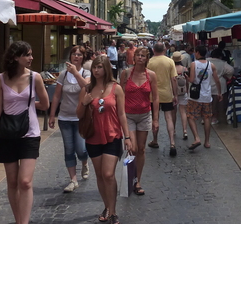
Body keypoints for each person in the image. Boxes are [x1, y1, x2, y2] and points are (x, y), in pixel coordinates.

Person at [0, 41, 49, 224]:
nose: (31, 58)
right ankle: (19, 221)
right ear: (15, 57)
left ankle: (24, 224)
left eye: (31, 54)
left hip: (30, 133)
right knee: (12, 182)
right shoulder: (0, 79)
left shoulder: (35, 78)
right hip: (7, 134)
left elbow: (45, 104)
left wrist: (26, 105)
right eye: (27, 54)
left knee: (25, 181)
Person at [76, 55, 132, 224]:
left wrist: (128, 136)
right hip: (93, 137)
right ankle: (107, 206)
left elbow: (122, 114)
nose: (96, 70)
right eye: (94, 67)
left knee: (108, 174)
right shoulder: (86, 89)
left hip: (112, 136)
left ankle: (113, 210)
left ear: (106, 68)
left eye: (99, 67)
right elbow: (78, 115)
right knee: (100, 175)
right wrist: (84, 103)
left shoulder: (116, 88)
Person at [48, 45, 91, 192]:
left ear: (83, 58)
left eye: (79, 54)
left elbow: (86, 86)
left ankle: (84, 163)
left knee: (81, 149)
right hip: (65, 117)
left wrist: (76, 73)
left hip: (80, 118)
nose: (76, 56)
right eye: (74, 54)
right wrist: (52, 114)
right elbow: (57, 95)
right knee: (69, 149)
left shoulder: (86, 73)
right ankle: (73, 180)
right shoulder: (63, 75)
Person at [120, 46, 159, 195]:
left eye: (143, 56)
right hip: (128, 115)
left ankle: (138, 180)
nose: (140, 58)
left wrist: (155, 119)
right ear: (134, 57)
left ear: (147, 58)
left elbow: (155, 98)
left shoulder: (151, 75)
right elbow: (120, 94)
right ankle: (129, 175)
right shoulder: (126, 74)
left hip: (144, 115)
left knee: (141, 149)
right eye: (138, 55)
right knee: (133, 148)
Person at [187, 45, 222, 150]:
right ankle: (207, 142)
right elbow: (217, 80)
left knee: (190, 116)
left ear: (197, 52)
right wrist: (219, 93)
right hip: (207, 96)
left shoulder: (194, 64)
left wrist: (186, 77)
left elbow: (192, 80)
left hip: (195, 97)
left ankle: (197, 137)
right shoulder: (211, 65)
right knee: (207, 118)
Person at [147, 42, 179, 156]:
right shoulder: (169, 61)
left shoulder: (149, 62)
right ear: (164, 50)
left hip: (152, 95)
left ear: (153, 50)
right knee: (169, 118)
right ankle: (172, 143)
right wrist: (175, 95)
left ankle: (155, 140)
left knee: (155, 118)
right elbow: (174, 79)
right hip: (166, 94)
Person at [208, 48, 235, 125]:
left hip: (207, 84)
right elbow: (231, 70)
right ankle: (214, 118)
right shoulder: (222, 63)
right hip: (218, 85)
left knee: (207, 103)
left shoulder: (206, 61)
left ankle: (206, 118)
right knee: (216, 103)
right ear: (220, 56)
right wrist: (225, 75)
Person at [172, 51, 190, 140]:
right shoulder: (184, 69)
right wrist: (187, 90)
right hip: (183, 92)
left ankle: (173, 130)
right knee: (183, 111)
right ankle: (185, 131)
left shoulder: (171, 69)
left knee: (173, 112)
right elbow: (187, 81)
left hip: (173, 92)